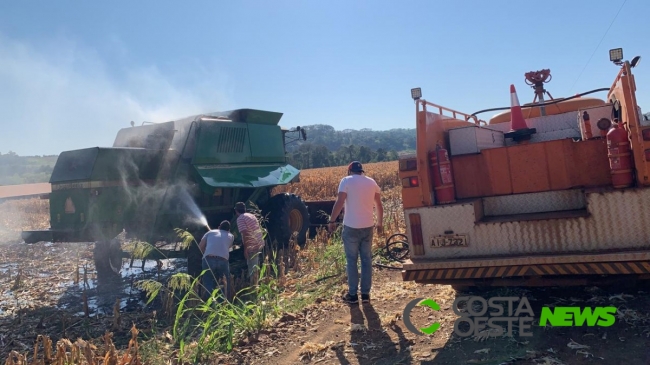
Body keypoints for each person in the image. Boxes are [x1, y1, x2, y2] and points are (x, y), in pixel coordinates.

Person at [329, 161, 383, 304]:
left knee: (351, 261)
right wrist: (380, 224)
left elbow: (340, 202)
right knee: (366, 260)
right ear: (361, 171)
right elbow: (379, 205)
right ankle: (365, 295)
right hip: (368, 227)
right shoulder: (371, 182)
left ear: (349, 171)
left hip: (351, 227)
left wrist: (332, 220)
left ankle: (352, 295)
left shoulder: (346, 181)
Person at [198, 220, 234, 302]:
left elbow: (200, 246)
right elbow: (228, 247)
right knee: (225, 281)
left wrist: (206, 253)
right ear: (228, 230)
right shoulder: (231, 236)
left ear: (218, 227)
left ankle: (211, 303)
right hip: (223, 260)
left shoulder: (210, 232)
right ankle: (222, 302)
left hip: (208, 259)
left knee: (208, 280)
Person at [235, 202, 266, 286]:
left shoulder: (240, 219)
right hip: (259, 242)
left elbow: (245, 234)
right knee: (254, 264)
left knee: (252, 267)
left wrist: (246, 249)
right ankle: (256, 282)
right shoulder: (251, 216)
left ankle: (254, 286)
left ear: (236, 211)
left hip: (252, 245)